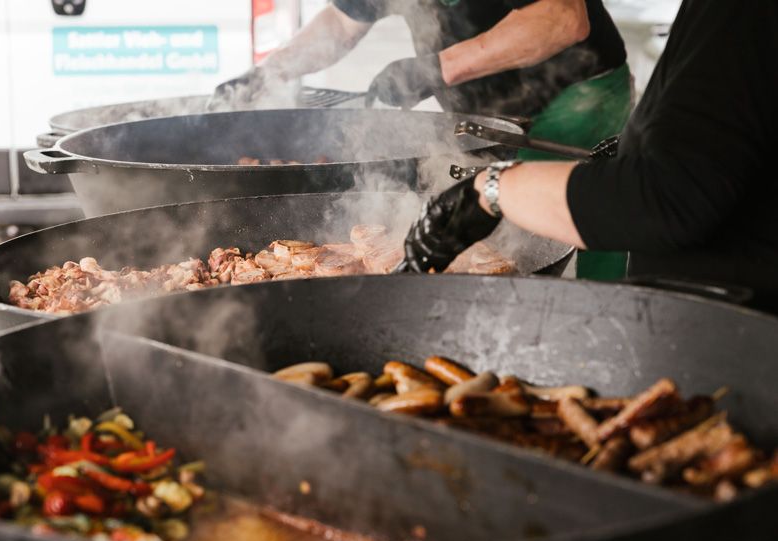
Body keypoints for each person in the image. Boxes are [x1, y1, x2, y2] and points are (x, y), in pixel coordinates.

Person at [400, 0, 778, 314]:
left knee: (592, 258)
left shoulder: (740, 12)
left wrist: (488, 190)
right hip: (726, 319)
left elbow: (670, 196)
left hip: (735, 330)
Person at [210, 0, 631, 158]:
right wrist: (269, 72)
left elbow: (562, 18)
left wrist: (436, 69)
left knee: (564, 240)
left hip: (574, 102)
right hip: (484, 112)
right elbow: (341, 22)